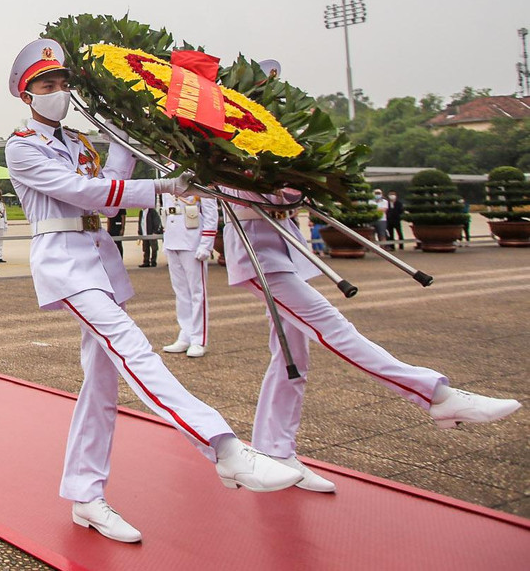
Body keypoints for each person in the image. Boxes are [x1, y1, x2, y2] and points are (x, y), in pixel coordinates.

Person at [3, 38, 301, 545]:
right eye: (46, 85)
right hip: (64, 263)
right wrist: (163, 186)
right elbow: (82, 192)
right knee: (134, 350)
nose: (57, 91)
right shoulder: (22, 144)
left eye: (62, 83)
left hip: (99, 259)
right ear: (27, 95)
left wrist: (124, 136)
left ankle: (85, 495)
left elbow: (109, 200)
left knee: (100, 385)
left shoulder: (81, 143)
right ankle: (223, 447)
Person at [220, 183, 522, 493]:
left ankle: (275, 450)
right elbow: (202, 179)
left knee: (291, 358)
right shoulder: (226, 156)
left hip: (283, 248)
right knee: (334, 330)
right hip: (257, 254)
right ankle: (436, 396)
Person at [159, 193, 218, 357]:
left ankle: (199, 339)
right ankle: (186, 334)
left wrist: (206, 244)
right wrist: (166, 239)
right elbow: (166, 210)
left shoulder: (200, 179)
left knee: (197, 293)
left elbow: (210, 213)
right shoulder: (168, 179)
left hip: (193, 241)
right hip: (173, 240)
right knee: (181, 293)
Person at [137, 197, 161, 267]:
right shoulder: (141, 212)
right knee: (145, 248)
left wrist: (155, 231)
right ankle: (146, 261)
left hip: (151, 233)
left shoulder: (152, 211)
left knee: (154, 248)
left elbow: (157, 221)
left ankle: (153, 261)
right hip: (144, 233)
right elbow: (140, 222)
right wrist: (140, 232)